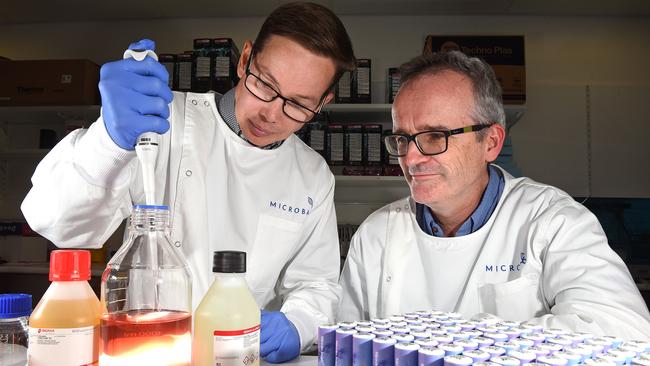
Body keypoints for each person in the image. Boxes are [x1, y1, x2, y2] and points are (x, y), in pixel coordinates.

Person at [21, 2, 356, 362]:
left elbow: (316, 285)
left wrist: (298, 323)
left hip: (238, 354)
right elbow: (56, 222)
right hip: (144, 348)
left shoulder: (312, 174)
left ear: (323, 103)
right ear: (245, 60)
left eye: (298, 105)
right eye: (265, 85)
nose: (271, 114)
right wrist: (109, 142)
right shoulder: (160, 121)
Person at [338, 50, 650, 339]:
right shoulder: (376, 235)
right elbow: (348, 344)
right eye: (402, 139)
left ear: (491, 142)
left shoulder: (554, 221)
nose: (412, 158)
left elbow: (624, 327)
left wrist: (468, 346)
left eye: (435, 136)